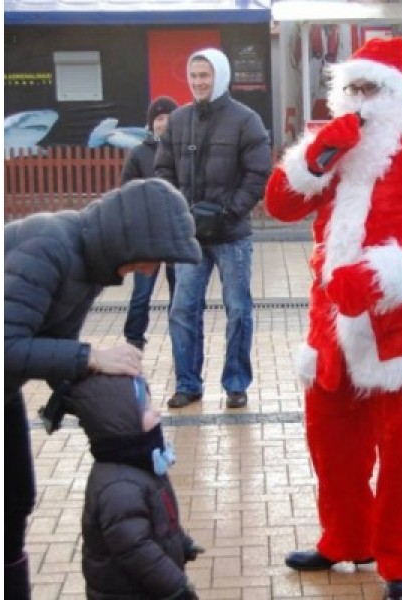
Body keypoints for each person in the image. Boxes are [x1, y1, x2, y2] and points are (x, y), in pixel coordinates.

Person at [264, 36, 402, 600]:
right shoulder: (335, 144)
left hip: (401, 329)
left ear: (401, 92)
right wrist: (318, 155)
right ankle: (345, 539)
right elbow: (281, 205)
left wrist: (384, 274)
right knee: (331, 446)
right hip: (332, 327)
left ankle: (401, 562)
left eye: (372, 88)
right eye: (352, 88)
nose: (360, 100)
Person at [4, 178, 202, 600]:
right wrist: (90, 356)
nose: (151, 270)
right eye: (154, 256)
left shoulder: (88, 266)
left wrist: (122, 410)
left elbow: (53, 348)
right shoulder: (49, 245)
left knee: (14, 502)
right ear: (132, 239)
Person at [155, 47, 272, 410]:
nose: (198, 83)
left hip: (231, 234)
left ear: (219, 76)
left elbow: (258, 174)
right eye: (193, 76)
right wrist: (180, 211)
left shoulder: (246, 120)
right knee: (182, 310)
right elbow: (163, 171)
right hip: (190, 237)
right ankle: (187, 383)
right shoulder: (178, 120)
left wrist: (228, 212)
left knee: (238, 309)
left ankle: (236, 383)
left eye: (204, 76)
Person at [61, 374, 204, 600]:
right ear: (121, 421)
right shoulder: (119, 486)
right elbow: (136, 550)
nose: (156, 413)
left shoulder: (138, 464)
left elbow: (157, 520)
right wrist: (177, 587)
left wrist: (180, 542)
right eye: (147, 408)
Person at [121, 95, 179, 350]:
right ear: (151, 123)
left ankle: (179, 336)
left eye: (168, 117)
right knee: (142, 291)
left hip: (178, 232)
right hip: (147, 234)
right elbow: (126, 191)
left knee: (179, 291)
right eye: (158, 118)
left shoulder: (186, 150)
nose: (163, 123)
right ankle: (134, 338)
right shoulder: (139, 153)